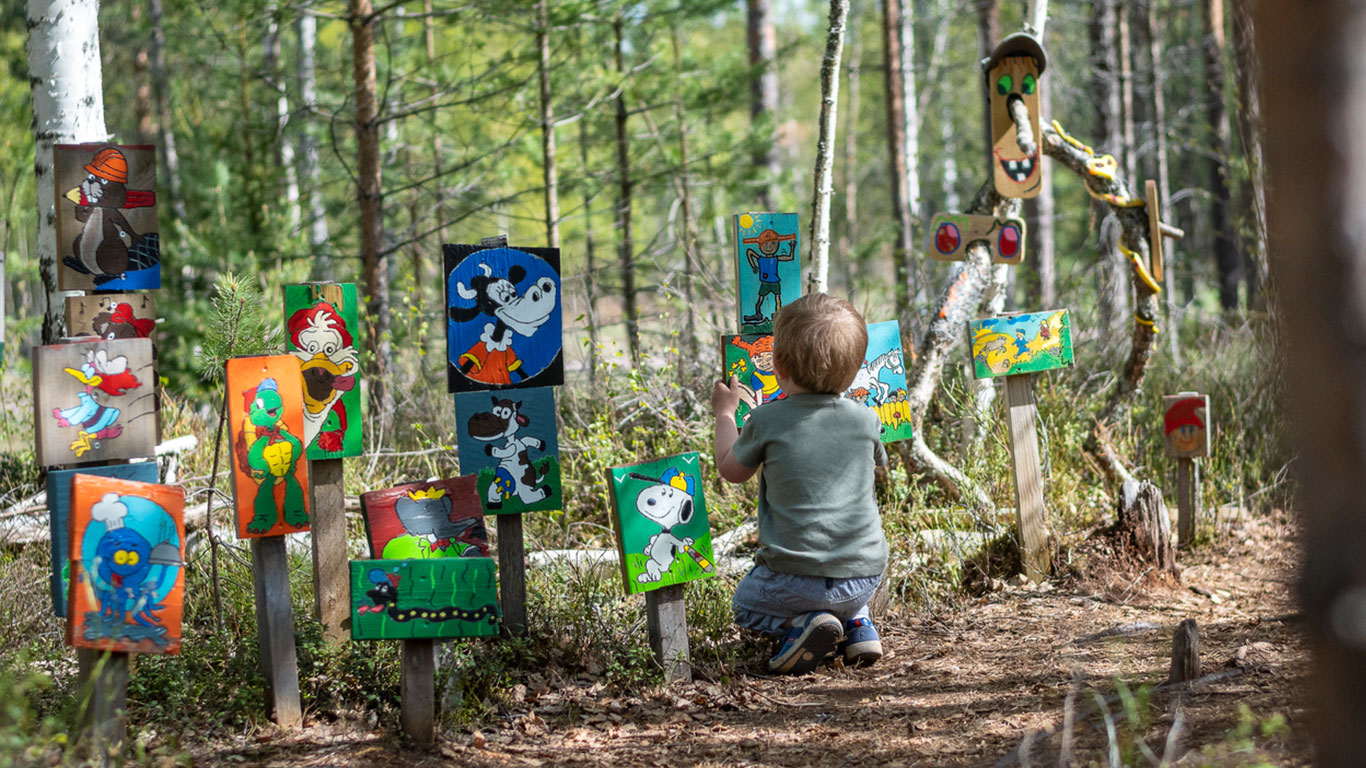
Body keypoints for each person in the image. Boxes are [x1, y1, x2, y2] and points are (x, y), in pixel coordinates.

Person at [710, 293, 888, 674]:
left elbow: (731, 470)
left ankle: (802, 626)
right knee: (842, 585)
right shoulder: (866, 419)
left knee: (744, 604)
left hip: (795, 579)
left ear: (777, 365)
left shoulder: (766, 419)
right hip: (866, 573)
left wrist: (725, 414)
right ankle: (857, 622)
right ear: (856, 369)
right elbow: (878, 465)